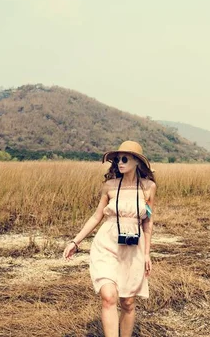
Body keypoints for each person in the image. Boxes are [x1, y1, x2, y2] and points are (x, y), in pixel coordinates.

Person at [63, 140, 157, 337]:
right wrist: (75, 241)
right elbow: (97, 216)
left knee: (128, 302)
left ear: (137, 162)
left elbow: (148, 222)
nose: (119, 163)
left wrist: (147, 253)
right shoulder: (110, 186)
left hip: (133, 247)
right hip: (107, 243)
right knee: (108, 296)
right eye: (117, 160)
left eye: (124, 159)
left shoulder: (148, 187)